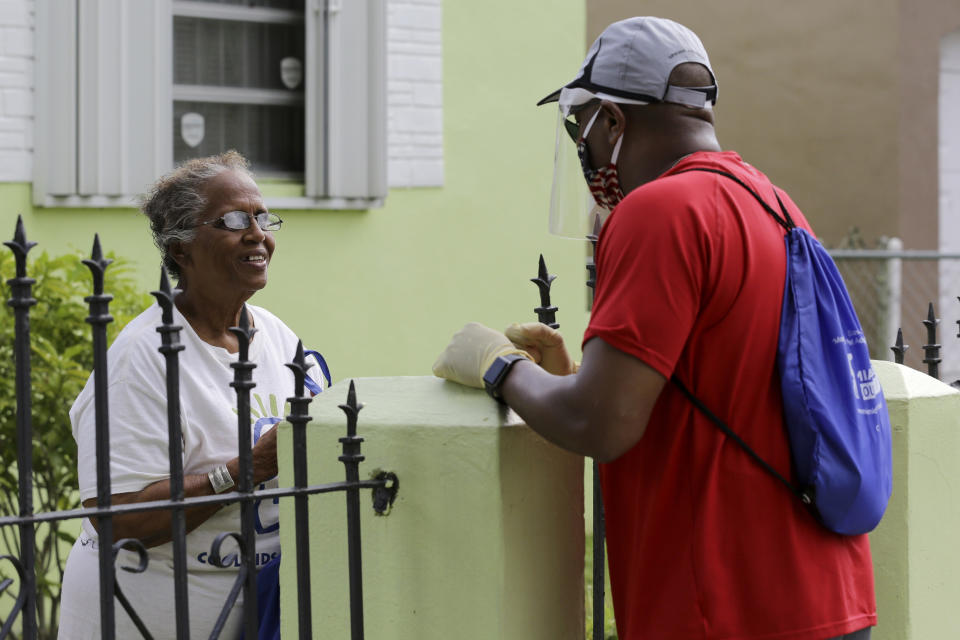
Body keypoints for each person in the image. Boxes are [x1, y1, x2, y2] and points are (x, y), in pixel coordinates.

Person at [433, 17, 876, 640]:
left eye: (579, 125)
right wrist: (573, 380)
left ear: (613, 121)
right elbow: (716, 384)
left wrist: (501, 367)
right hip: (825, 594)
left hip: (726, 608)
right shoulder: (771, 202)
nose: (582, 149)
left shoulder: (658, 212)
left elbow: (600, 424)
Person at [59, 151, 325, 639]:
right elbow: (116, 519)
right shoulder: (142, 357)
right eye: (233, 220)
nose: (257, 234)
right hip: (142, 620)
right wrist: (244, 470)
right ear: (181, 249)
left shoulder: (279, 338)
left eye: (263, 218)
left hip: (255, 614)